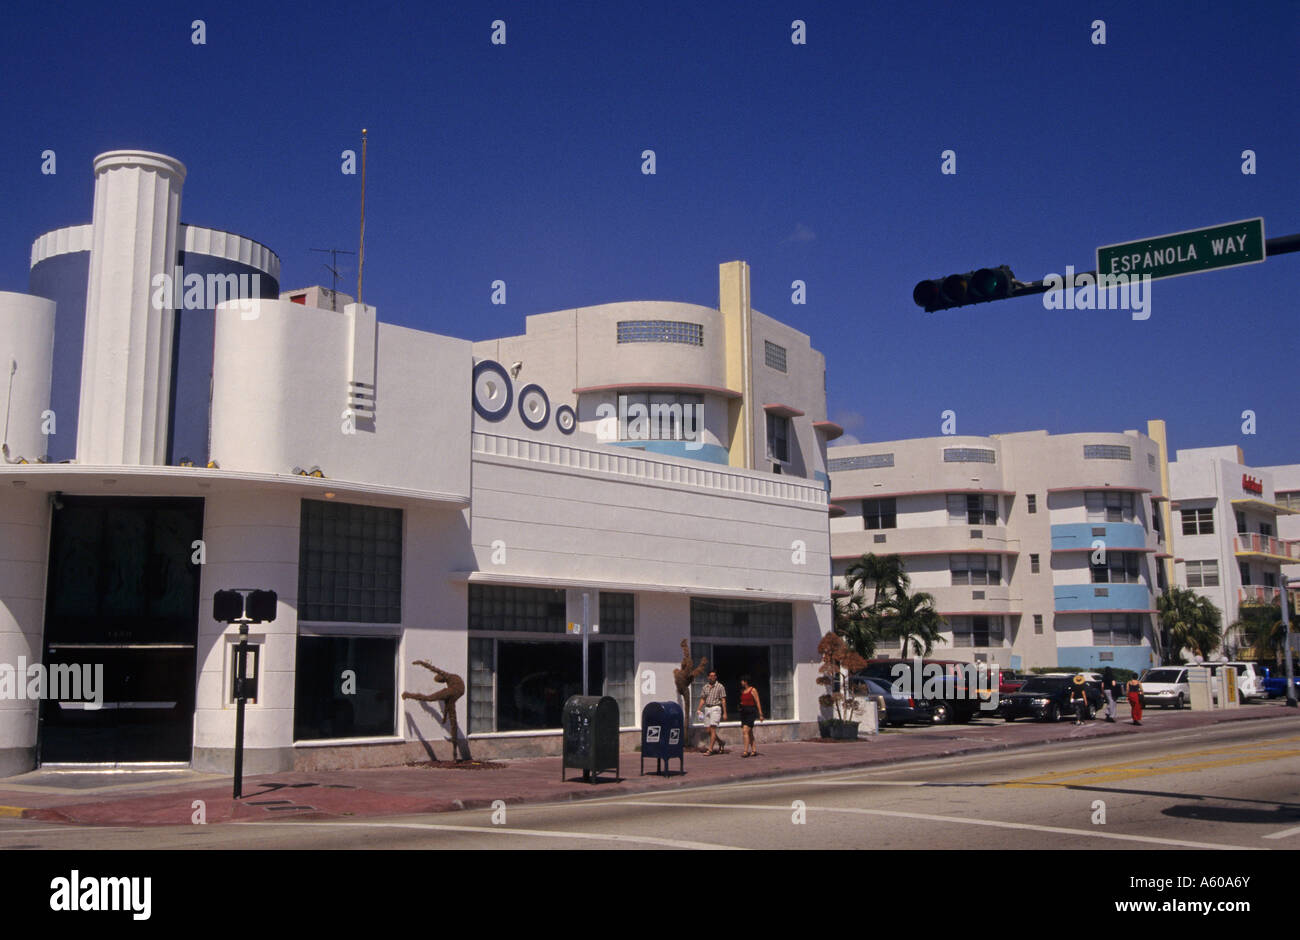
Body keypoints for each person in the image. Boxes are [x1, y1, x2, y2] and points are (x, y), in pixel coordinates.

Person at [696, 670, 728, 754]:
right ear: (708, 677)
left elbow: (723, 700)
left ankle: (710, 749)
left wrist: (725, 713)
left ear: (716, 677)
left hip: (716, 708)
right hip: (707, 708)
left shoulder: (720, 686)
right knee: (708, 730)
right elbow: (703, 699)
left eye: (714, 675)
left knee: (713, 729)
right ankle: (721, 742)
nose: (712, 677)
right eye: (710, 676)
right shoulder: (705, 687)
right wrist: (698, 709)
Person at [738, 675, 765, 757]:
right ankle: (754, 750)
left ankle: (745, 751)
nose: (741, 682)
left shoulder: (753, 690)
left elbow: (757, 701)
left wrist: (760, 714)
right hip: (744, 712)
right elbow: (742, 701)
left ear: (746, 682)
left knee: (745, 731)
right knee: (749, 732)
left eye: (742, 681)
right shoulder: (742, 691)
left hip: (751, 712)